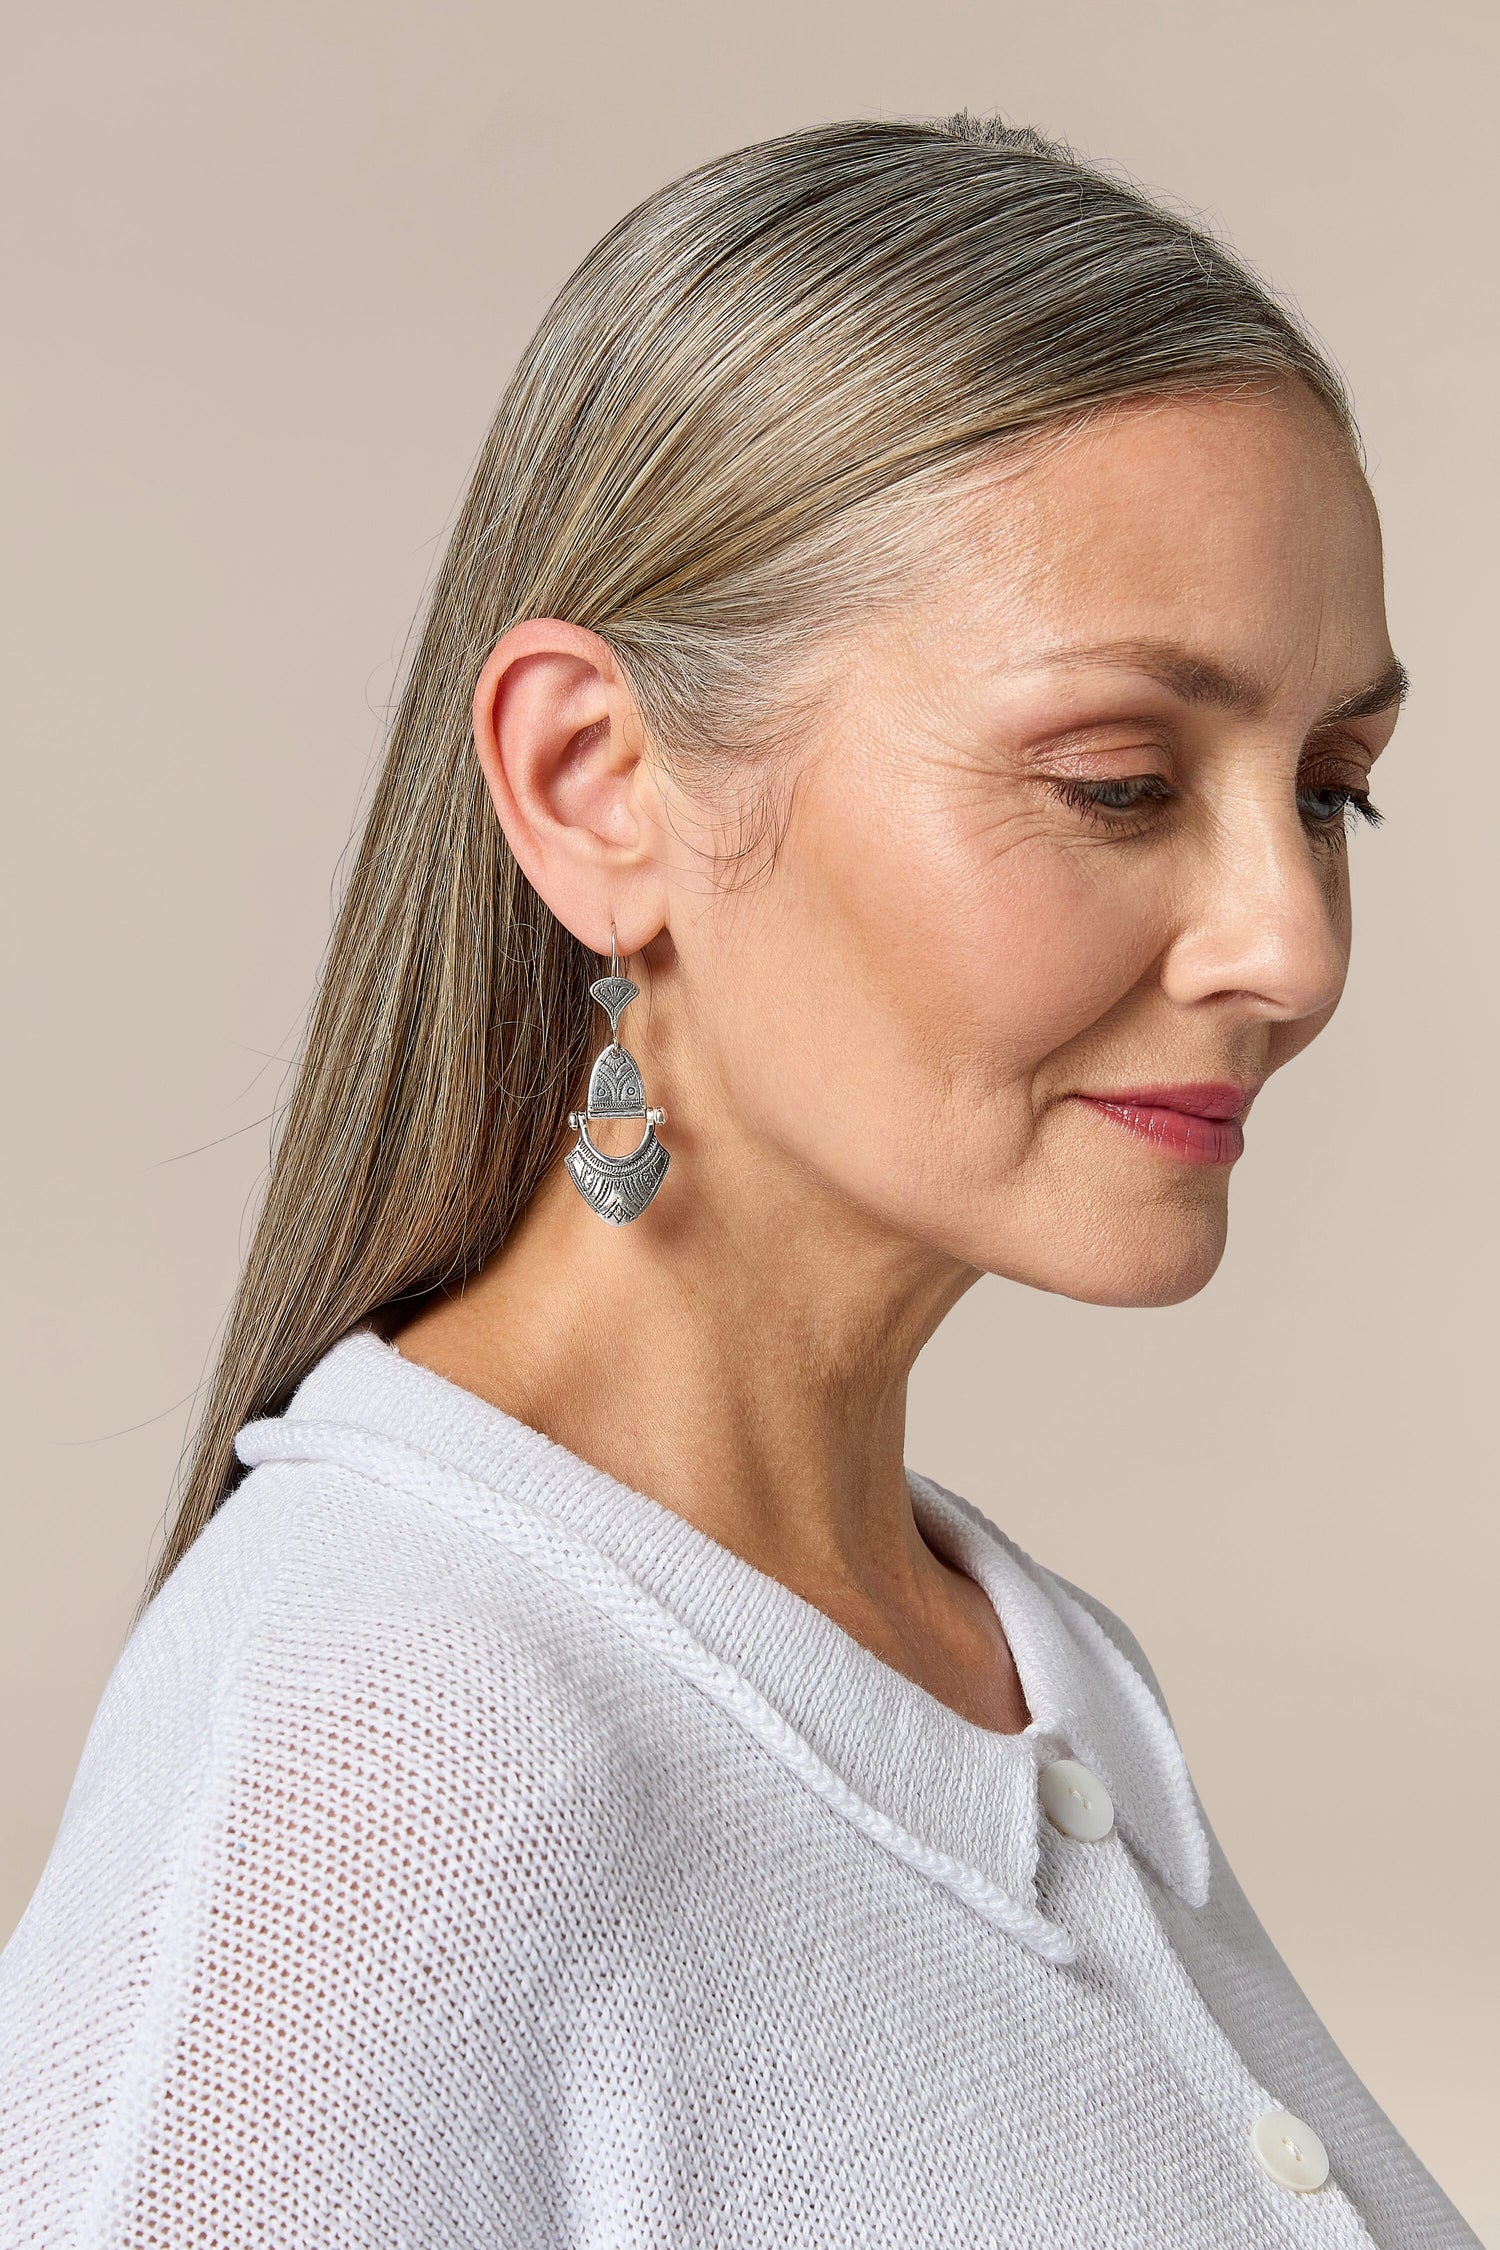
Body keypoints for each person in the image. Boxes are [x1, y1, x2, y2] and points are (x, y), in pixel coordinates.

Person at [0, 113, 1476, 2248]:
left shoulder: (1033, 1670)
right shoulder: (389, 1742)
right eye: (1123, 782)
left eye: (1334, 793)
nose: (1293, 944)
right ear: (598, 787)